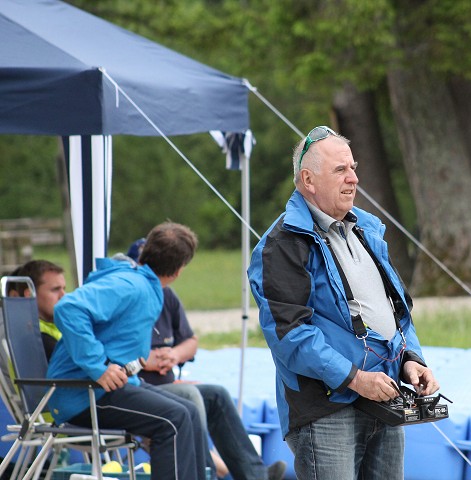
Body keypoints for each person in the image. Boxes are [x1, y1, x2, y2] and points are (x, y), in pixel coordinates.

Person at [248, 125, 440, 480]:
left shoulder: (366, 229)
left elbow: (396, 311)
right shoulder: (283, 245)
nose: (353, 179)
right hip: (325, 411)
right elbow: (290, 336)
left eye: (353, 168)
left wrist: (411, 360)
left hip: (383, 400)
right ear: (308, 180)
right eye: (341, 170)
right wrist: (354, 379)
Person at [46, 222, 212, 480]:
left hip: (106, 388)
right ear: (179, 271)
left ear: (146, 251)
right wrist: (98, 367)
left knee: (188, 410)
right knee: (174, 419)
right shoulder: (130, 285)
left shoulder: (141, 283)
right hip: (82, 394)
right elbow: (68, 309)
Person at [125, 238, 286, 480]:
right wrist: (142, 360)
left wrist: (174, 354)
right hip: (139, 389)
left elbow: (191, 342)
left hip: (167, 386)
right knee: (191, 396)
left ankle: (256, 475)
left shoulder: (167, 297)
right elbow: (113, 354)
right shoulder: (128, 299)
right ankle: (205, 472)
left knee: (216, 394)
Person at [12, 260, 66, 358]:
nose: (63, 296)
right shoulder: (35, 337)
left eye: (64, 289)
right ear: (30, 295)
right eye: (55, 289)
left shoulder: (51, 326)